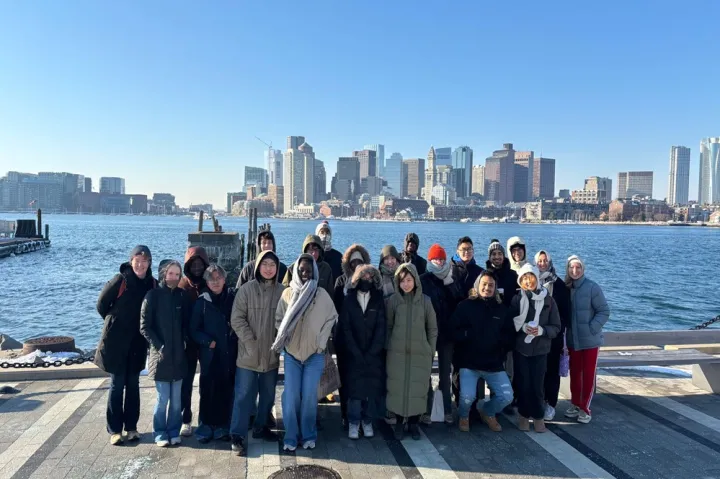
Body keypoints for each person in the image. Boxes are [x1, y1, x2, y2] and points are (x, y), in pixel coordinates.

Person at [274, 254, 338, 452]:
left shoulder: (321, 295)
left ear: (314, 272)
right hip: (292, 354)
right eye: (301, 269)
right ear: (296, 271)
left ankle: (308, 434)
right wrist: (286, 339)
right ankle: (291, 436)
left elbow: (332, 318)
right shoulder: (287, 294)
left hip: (314, 355)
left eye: (308, 270)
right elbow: (278, 320)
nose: (305, 273)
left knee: (310, 396)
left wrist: (321, 342)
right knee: (291, 395)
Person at [95, 245, 157, 446]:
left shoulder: (152, 284)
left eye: (144, 260)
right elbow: (101, 304)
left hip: (138, 343)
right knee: (117, 385)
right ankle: (114, 430)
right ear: (131, 261)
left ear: (149, 263)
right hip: (116, 342)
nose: (140, 264)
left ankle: (131, 428)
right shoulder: (120, 281)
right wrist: (113, 321)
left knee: (133, 385)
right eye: (137, 260)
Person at [229, 251, 286, 455]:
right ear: (257, 266)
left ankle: (261, 428)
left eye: (272, 264)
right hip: (248, 355)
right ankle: (237, 435)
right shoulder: (246, 290)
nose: (268, 268)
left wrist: (279, 341)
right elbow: (237, 319)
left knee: (268, 395)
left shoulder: (283, 291)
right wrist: (249, 341)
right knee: (244, 396)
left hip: (270, 354)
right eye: (265, 264)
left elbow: (287, 320)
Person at [451, 271, 515, 433]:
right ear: (477, 286)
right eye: (484, 284)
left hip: (493, 364)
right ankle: (464, 416)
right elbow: (452, 331)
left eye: (491, 285)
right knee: (467, 397)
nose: (487, 288)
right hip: (469, 363)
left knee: (507, 396)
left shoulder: (502, 310)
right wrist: (467, 336)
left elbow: (509, 335)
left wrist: (500, 348)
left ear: (495, 288)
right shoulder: (465, 306)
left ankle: (487, 411)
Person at [140, 260, 190, 447]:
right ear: (163, 273)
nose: (174, 278)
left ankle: (173, 430)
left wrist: (184, 339)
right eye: (171, 274)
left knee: (176, 401)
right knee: (163, 399)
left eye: (177, 275)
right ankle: (160, 432)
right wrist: (159, 346)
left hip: (179, 357)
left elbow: (186, 322)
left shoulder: (181, 296)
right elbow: (145, 327)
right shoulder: (152, 296)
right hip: (160, 357)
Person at [385, 263, 437, 440]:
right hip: (397, 354)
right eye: (402, 281)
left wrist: (430, 350)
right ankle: (400, 423)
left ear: (415, 280)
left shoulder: (425, 301)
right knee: (398, 388)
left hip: (420, 354)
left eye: (409, 280)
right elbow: (389, 326)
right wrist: (389, 347)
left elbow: (432, 328)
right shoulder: (393, 301)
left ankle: (414, 423)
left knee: (417, 389)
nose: (406, 284)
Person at [508, 264, 561, 433]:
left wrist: (542, 330)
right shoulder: (517, 299)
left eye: (530, 277)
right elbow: (509, 322)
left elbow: (556, 327)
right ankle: (523, 416)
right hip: (521, 349)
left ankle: (538, 416)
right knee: (523, 384)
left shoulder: (549, 300)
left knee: (538, 385)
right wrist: (522, 327)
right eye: (524, 278)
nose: (528, 281)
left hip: (541, 350)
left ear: (537, 279)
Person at [337, 265, 386, 440]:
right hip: (353, 354)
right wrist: (355, 351)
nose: (367, 279)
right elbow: (345, 327)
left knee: (371, 390)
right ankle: (353, 421)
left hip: (373, 355)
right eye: (363, 275)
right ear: (356, 279)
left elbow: (382, 327)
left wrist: (373, 351)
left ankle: (367, 420)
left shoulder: (378, 299)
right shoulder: (349, 299)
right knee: (354, 391)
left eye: (370, 276)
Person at [190, 264, 238, 444]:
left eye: (218, 278)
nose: (215, 282)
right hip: (210, 354)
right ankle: (206, 425)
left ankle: (223, 425)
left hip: (229, 352)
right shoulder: (201, 303)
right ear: (207, 282)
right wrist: (207, 341)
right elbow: (193, 330)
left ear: (224, 280)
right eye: (211, 279)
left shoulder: (232, 298)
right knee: (208, 389)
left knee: (227, 388)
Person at [564, 255, 610, 424]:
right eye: (571, 267)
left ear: (583, 269)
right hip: (573, 340)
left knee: (588, 375)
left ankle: (585, 408)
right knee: (575, 374)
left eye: (578, 267)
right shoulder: (566, 287)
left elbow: (604, 311)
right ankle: (575, 403)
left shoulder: (592, 287)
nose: (574, 271)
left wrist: (592, 328)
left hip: (590, 341)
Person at [420, 244, 462, 425]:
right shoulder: (423, 279)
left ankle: (446, 409)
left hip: (446, 335)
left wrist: (450, 285)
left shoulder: (452, 278)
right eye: (436, 259)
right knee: (425, 372)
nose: (440, 261)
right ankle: (426, 409)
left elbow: (459, 303)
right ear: (430, 260)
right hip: (428, 332)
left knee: (445, 374)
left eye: (442, 259)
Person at [332, 243, 371, 426]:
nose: (356, 264)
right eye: (353, 261)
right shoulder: (341, 281)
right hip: (344, 338)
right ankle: (345, 414)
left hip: (363, 338)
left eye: (359, 261)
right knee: (345, 376)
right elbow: (336, 308)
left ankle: (362, 413)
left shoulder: (369, 281)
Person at [534, 250, 572, 421]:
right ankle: (538, 401)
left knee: (552, 372)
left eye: (545, 260)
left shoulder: (559, 285)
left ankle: (550, 404)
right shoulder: (532, 281)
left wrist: (555, 328)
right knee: (538, 370)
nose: (542, 263)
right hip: (535, 336)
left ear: (549, 262)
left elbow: (566, 313)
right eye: (539, 261)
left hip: (553, 336)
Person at [177, 246, 210, 437]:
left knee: (207, 380)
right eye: (193, 264)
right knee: (186, 383)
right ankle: (185, 418)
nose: (197, 268)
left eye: (200, 264)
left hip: (206, 343)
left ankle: (206, 417)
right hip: (187, 344)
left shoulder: (210, 285)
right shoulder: (182, 287)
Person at [486, 240, 519, 306]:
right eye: (494, 254)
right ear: (489, 257)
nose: (497, 257)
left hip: (510, 313)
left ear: (503, 256)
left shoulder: (513, 275)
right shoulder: (485, 276)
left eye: (500, 253)